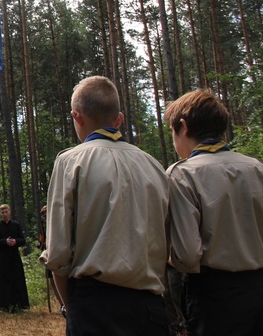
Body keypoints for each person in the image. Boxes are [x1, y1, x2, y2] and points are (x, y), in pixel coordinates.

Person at [40, 75, 169, 335]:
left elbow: (57, 255)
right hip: (150, 307)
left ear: (77, 117)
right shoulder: (155, 166)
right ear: (119, 119)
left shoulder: (70, 162)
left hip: (94, 305)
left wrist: (70, 306)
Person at [165, 89, 263, 335]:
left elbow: (186, 255)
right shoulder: (258, 169)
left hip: (213, 298)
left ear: (183, 127)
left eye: (172, 132)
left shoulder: (182, 174)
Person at [0, 204, 30, 312]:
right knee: (3, 280)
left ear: (10, 212)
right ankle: (4, 305)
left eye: (6, 212)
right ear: (0, 214)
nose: (4, 214)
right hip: (3, 256)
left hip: (14, 256)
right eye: (2, 212)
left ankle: (18, 304)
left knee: (17, 279)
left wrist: (15, 241)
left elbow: (22, 240)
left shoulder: (16, 225)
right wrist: (5, 242)